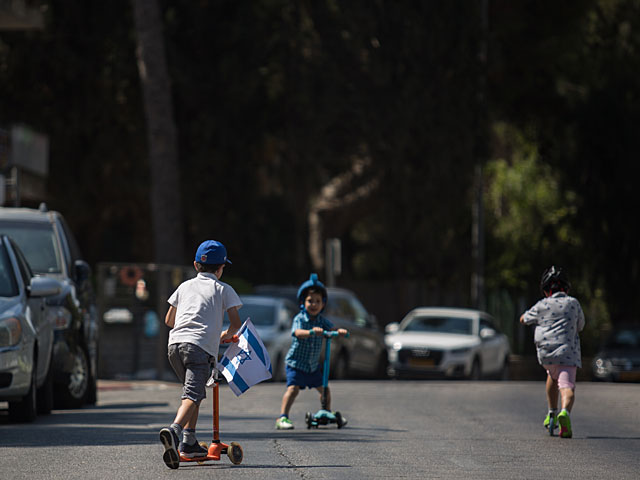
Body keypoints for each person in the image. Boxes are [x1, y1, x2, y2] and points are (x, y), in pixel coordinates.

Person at [159, 240, 242, 469]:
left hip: (174, 345)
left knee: (190, 394)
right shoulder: (223, 289)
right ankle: (175, 432)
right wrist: (224, 335)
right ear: (221, 268)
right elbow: (235, 322)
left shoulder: (184, 286)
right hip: (199, 348)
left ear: (196, 265)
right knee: (193, 395)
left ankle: (189, 442)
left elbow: (169, 320)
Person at [275, 273, 348, 430]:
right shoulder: (300, 319)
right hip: (296, 363)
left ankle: (326, 412)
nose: (314, 304)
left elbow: (332, 328)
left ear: (323, 304)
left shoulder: (322, 320)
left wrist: (339, 331)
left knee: (324, 389)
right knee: (293, 389)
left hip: (312, 366)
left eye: (317, 301)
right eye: (310, 301)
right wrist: (311, 332)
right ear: (303, 302)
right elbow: (296, 333)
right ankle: (282, 417)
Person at [520, 266, 585, 438]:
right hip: (567, 355)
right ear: (566, 288)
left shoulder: (542, 304)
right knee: (567, 387)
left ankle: (551, 413)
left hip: (546, 356)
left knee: (552, 375)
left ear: (546, 290)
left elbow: (524, 319)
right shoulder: (573, 303)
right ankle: (565, 413)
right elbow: (581, 326)